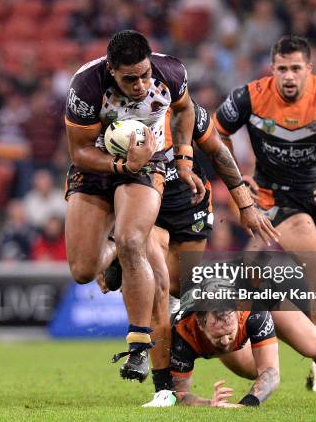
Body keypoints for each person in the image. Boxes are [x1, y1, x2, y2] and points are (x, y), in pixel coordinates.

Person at [213, 35, 316, 392]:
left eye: (296, 68)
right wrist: (237, 180)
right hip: (276, 201)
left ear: (308, 70)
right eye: (282, 68)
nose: (288, 76)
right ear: (272, 69)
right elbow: (214, 135)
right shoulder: (248, 97)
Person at [97, 102, 280, 407]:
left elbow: (219, 153)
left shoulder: (185, 112)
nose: (144, 88)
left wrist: (246, 206)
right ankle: (156, 375)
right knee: (156, 283)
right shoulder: (113, 122)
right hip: (147, 211)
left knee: (183, 293)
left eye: (150, 80)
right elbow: (96, 174)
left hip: (189, 209)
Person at [64, 30, 204, 382]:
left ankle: (139, 346)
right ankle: (108, 251)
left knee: (132, 239)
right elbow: (79, 151)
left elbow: (186, 111)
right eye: (129, 79)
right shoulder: (85, 87)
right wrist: (119, 166)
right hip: (97, 165)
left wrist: (184, 159)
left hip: (148, 162)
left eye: (144, 75)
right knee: (82, 271)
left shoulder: (170, 72)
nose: (140, 85)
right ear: (111, 70)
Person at [169, 279, 316, 408]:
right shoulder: (182, 332)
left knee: (315, 347)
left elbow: (271, 373)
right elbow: (179, 394)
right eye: (218, 336)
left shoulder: (253, 308)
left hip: (265, 299)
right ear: (199, 323)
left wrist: (246, 404)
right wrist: (209, 403)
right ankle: (261, 336)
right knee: (253, 371)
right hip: (237, 317)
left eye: (229, 333)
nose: (225, 341)